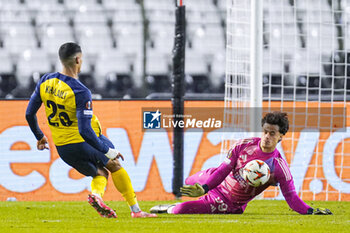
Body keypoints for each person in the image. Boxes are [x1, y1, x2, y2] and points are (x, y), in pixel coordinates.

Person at [25, 42, 157, 218]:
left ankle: (96, 196)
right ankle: (136, 211)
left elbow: (29, 114)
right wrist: (108, 150)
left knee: (100, 173)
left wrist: (40, 136)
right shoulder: (80, 91)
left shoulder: (45, 81)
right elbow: (85, 131)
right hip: (82, 142)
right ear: (79, 59)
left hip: (63, 149)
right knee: (115, 165)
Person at [150, 112, 332, 215]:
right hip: (216, 181)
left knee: (180, 210)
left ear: (281, 137)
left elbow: (291, 197)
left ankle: (168, 208)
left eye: (272, 134)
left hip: (228, 202)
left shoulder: (278, 167)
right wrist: (205, 188)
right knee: (190, 181)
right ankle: (201, 191)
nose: (267, 137)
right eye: (265, 132)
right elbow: (223, 170)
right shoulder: (243, 145)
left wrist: (311, 211)